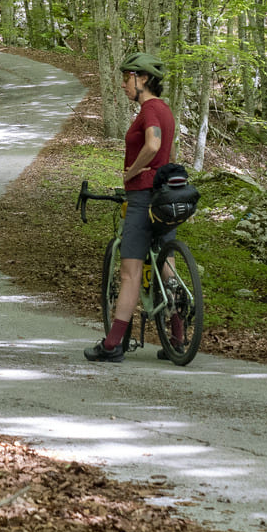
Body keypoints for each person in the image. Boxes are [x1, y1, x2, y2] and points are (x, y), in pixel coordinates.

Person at [85, 51, 177, 363]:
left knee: (130, 272)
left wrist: (132, 171)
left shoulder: (149, 110)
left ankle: (112, 344)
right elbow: (168, 152)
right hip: (165, 196)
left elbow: (152, 145)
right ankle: (177, 338)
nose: (123, 84)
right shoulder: (166, 110)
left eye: (127, 78)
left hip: (143, 196)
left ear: (143, 79)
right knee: (167, 264)